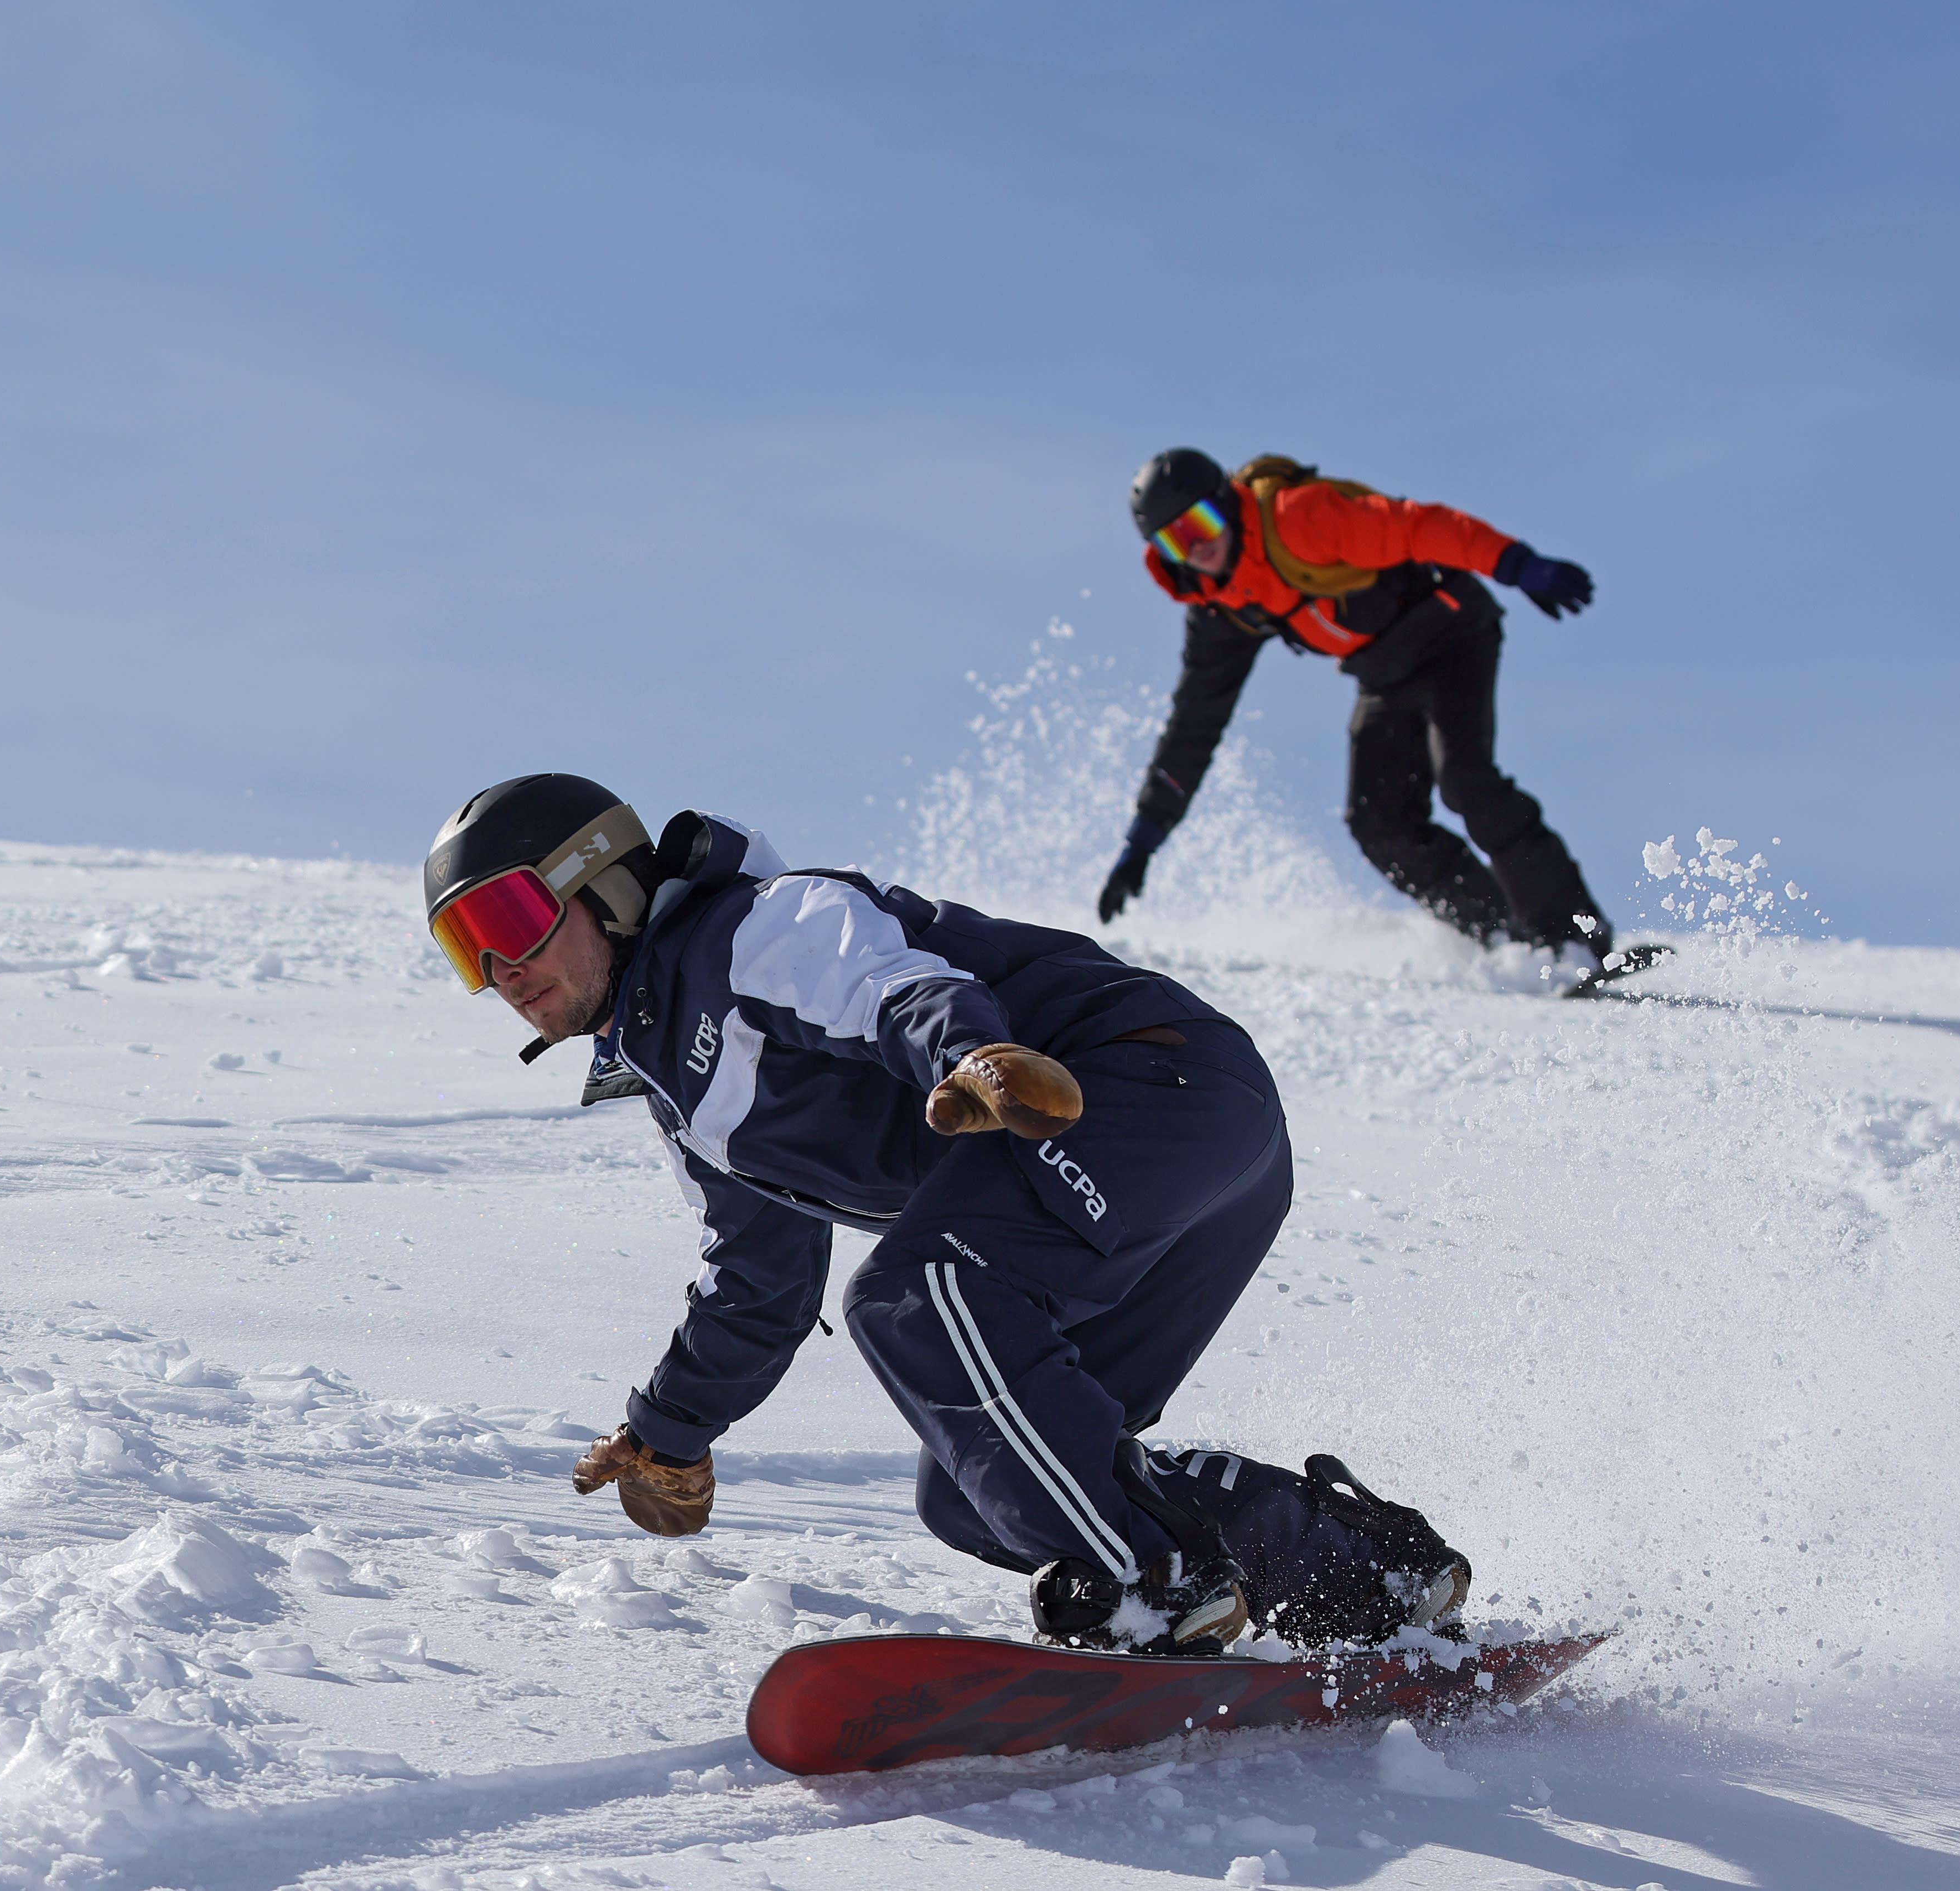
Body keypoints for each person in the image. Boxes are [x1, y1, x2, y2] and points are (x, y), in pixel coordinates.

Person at [422, 771, 1472, 1654]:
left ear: (602, 880)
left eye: (508, 918)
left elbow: (887, 981)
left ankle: (1151, 1583)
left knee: (919, 1293)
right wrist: (669, 1432)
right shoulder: (689, 1099)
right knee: (982, 1487)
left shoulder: (749, 928)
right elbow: (758, 1279)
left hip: (1144, 1087)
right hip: (1184, 1174)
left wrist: (973, 1055)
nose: (502, 968)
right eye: (468, 948)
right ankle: (1363, 1576)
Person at [1100, 448, 1622, 983]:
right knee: (1378, 822)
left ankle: (1575, 939)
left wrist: (1516, 564)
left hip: (1450, 633)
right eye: (1175, 541)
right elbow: (1195, 721)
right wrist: (1145, 837)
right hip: (1385, 672)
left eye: (1200, 524)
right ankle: (1507, 940)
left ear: (1226, 504)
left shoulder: (1299, 519)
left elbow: (1420, 527)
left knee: (1467, 781)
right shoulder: (1222, 608)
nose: (1197, 547)